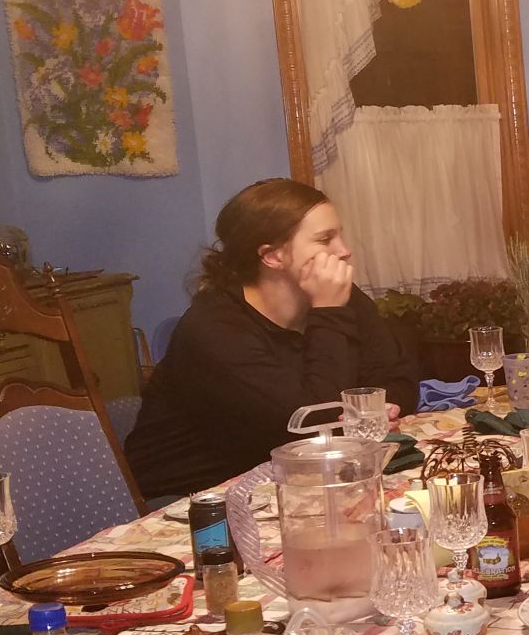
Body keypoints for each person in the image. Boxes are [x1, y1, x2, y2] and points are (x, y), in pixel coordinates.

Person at [125, 178, 418, 499]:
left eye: (340, 235)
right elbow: (307, 426)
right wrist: (329, 311)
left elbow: (399, 376)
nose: (344, 251)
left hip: (292, 480)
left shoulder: (338, 297)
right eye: (325, 239)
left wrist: (384, 409)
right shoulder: (213, 329)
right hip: (193, 498)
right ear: (272, 256)